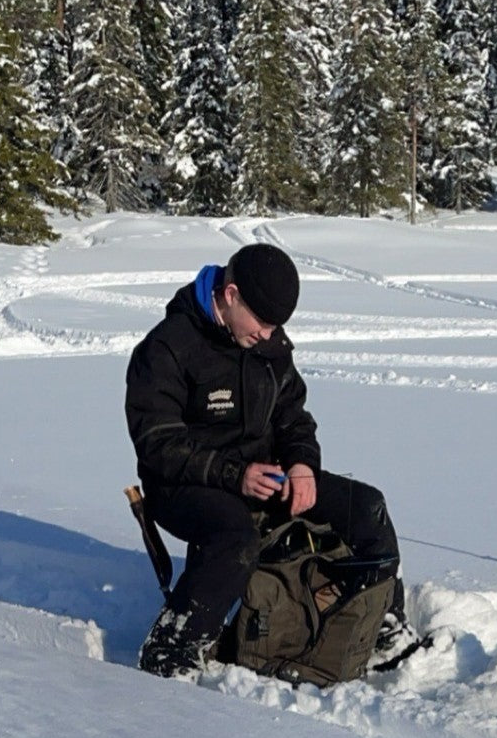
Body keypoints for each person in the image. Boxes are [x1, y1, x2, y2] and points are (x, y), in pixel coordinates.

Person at [125, 242, 413, 677]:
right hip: (183, 486)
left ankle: (381, 624)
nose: (268, 334)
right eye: (262, 322)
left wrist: (301, 465)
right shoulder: (167, 348)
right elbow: (157, 444)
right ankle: (173, 646)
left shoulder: (269, 344)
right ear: (232, 294)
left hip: (264, 476)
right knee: (234, 537)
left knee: (366, 506)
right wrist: (235, 475)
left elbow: (293, 416)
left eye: (275, 325)